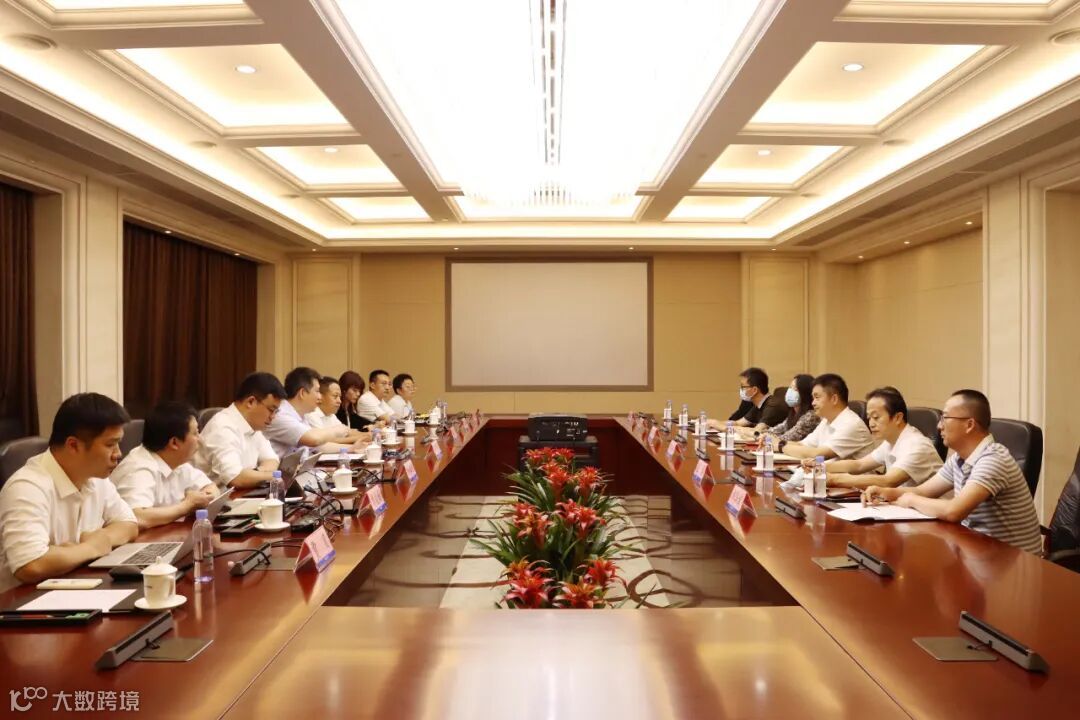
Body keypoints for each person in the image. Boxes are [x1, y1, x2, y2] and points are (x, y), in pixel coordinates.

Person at [863, 389, 1042, 554]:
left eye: (945, 418)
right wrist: (886, 493)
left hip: (1012, 562)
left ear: (969, 424)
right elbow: (922, 491)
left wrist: (910, 499)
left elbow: (954, 511)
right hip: (977, 549)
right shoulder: (958, 458)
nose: (939, 426)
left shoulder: (993, 459)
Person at [0, 393, 138, 593]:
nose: (118, 453)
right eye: (110, 445)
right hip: (24, 602)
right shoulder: (27, 486)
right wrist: (90, 548)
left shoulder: (95, 477)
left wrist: (96, 541)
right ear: (73, 445)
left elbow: (129, 525)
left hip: (73, 587)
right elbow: (30, 565)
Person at [110, 401, 219, 529]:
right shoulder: (138, 468)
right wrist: (186, 506)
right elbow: (137, 517)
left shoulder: (177, 461)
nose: (200, 439)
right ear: (174, 443)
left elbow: (210, 486)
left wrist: (205, 497)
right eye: (195, 433)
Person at [825, 387, 942, 489]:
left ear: (897, 418)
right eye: (869, 418)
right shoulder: (890, 442)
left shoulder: (917, 445)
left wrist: (833, 479)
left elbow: (888, 481)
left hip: (931, 507)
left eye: (876, 417)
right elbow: (859, 465)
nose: (871, 424)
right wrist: (820, 467)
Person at [195, 372, 284, 490]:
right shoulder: (222, 427)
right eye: (271, 410)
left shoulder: (254, 427)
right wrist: (276, 476)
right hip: (215, 499)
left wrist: (256, 473)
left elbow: (271, 460)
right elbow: (236, 478)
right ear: (251, 402)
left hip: (241, 494)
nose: (273, 417)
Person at [263, 367, 365, 458]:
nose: (320, 397)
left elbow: (318, 447)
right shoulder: (281, 415)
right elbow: (315, 439)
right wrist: (339, 430)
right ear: (303, 393)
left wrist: (352, 448)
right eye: (317, 391)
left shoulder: (301, 415)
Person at [781, 373, 874, 460]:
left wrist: (780, 446)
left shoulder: (851, 424)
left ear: (834, 399)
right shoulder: (826, 420)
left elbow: (817, 454)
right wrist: (778, 443)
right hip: (827, 471)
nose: (813, 403)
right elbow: (803, 445)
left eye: (817, 397)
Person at [712, 367, 787, 430]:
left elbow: (757, 432)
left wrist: (724, 427)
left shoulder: (772, 406)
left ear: (754, 390)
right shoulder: (759, 404)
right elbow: (738, 423)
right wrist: (714, 423)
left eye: (743, 387)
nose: (741, 390)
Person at [763, 373, 820, 442]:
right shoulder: (793, 413)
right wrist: (763, 435)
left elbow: (787, 438)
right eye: (790, 387)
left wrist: (766, 438)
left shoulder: (811, 416)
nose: (790, 391)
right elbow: (776, 430)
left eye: (795, 389)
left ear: (805, 393)